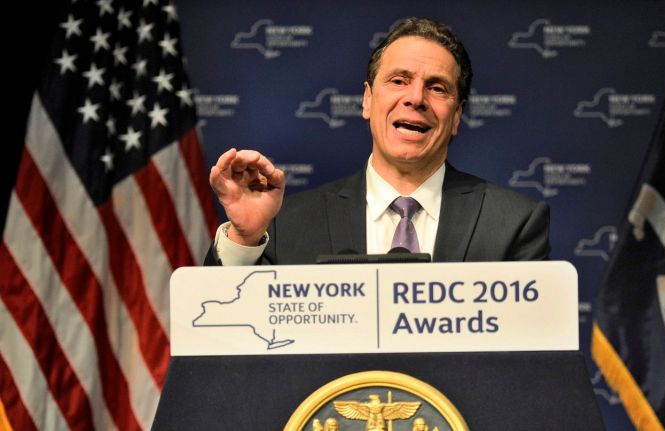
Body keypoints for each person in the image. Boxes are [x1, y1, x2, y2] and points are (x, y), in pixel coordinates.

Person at [206, 17, 549, 266]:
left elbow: (529, 357)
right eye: (399, 81)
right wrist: (245, 238)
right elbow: (224, 335)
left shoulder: (512, 223)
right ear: (367, 100)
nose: (416, 98)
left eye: (437, 87)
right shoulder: (286, 224)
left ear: (457, 116)